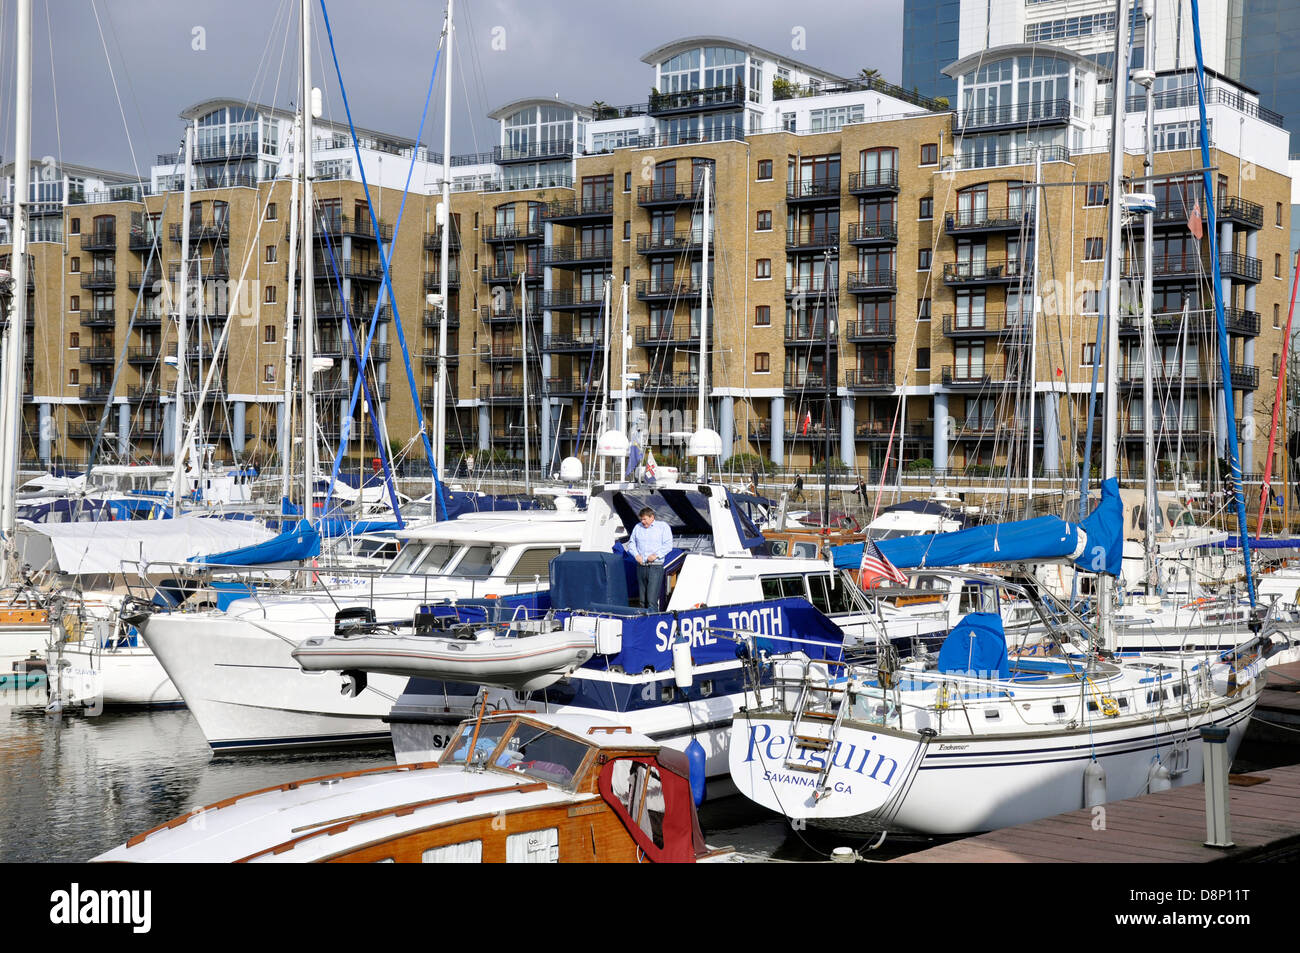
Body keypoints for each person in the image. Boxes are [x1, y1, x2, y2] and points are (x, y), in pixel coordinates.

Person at [627, 506, 673, 609]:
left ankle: (652, 622)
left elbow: (668, 545)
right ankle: (642, 623)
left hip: (655, 567)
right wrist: (636, 555)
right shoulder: (637, 527)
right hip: (641, 566)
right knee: (642, 600)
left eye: (644, 519)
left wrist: (656, 555)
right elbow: (631, 544)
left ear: (652, 517)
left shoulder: (663, 527)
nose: (642, 522)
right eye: (641, 519)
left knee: (651, 600)